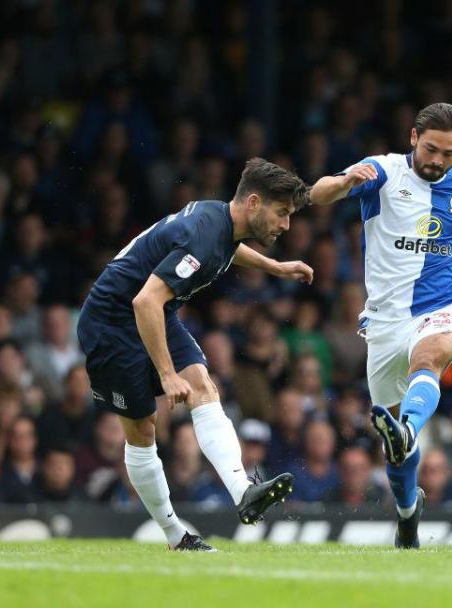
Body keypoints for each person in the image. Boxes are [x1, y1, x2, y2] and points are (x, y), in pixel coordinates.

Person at [76, 157, 312, 551]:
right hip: (113, 323)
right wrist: (167, 375)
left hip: (155, 312)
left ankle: (243, 492)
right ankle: (176, 536)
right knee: (143, 429)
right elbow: (145, 301)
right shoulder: (204, 234)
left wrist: (275, 267)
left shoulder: (221, 221)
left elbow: (227, 249)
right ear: (254, 203)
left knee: (204, 383)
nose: (286, 224)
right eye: (282, 213)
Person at [310, 102, 452, 549]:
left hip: (442, 304)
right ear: (413, 137)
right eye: (432, 149)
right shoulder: (381, 172)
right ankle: (406, 513)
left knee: (432, 354)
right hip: (383, 323)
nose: (438, 161)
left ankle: (408, 429)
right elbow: (318, 193)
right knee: (395, 453)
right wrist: (344, 182)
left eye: (449, 154)